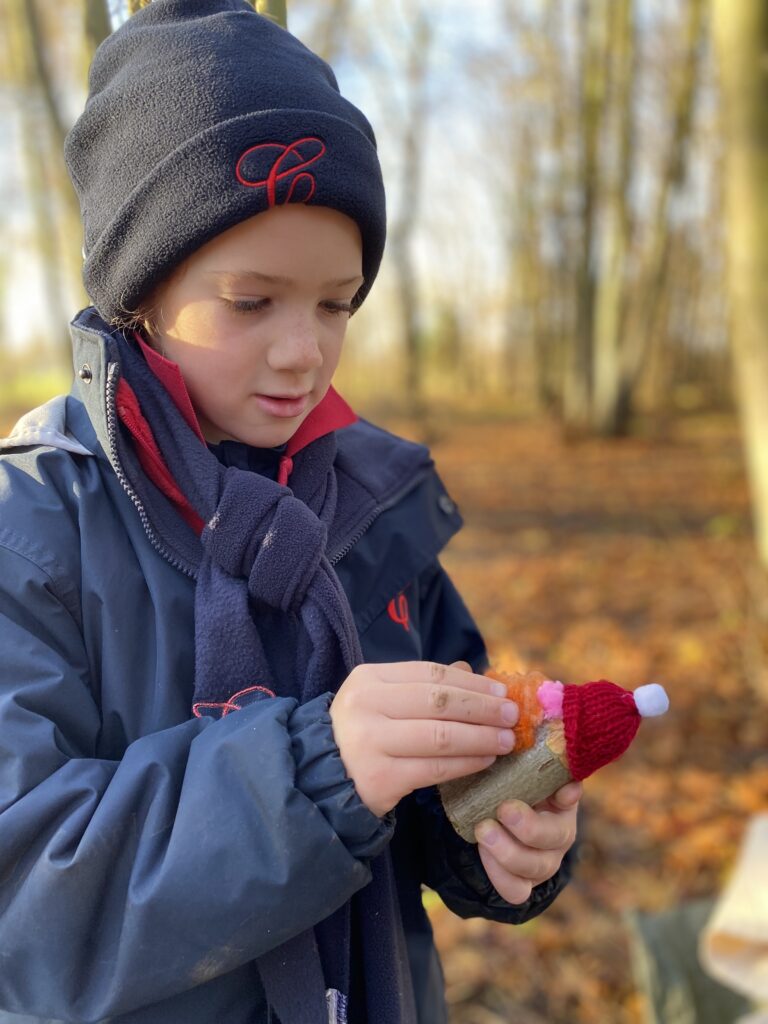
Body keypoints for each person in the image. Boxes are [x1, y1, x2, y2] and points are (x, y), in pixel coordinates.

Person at [0, 2, 580, 1022]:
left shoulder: (372, 505)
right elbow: (26, 904)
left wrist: (492, 829)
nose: (302, 351)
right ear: (141, 287)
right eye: (251, 300)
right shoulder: (34, 525)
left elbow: (431, 803)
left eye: (336, 302)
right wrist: (317, 772)